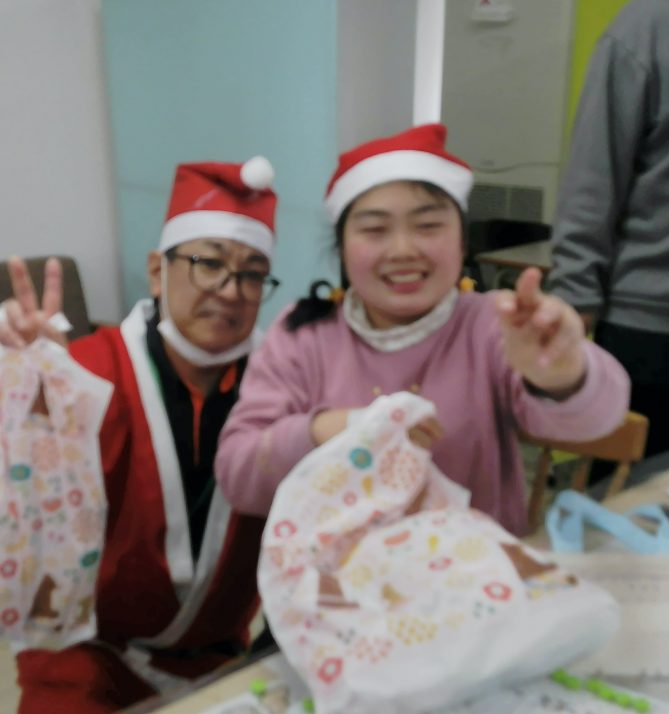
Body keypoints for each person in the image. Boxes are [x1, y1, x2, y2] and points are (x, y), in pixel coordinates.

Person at [215, 124, 630, 537]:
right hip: (335, 575)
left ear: (462, 242)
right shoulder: (305, 335)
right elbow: (237, 475)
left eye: (428, 225)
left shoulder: (491, 325)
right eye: (375, 229)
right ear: (342, 248)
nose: (402, 250)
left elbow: (596, 421)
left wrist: (561, 376)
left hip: (476, 571)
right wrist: (333, 431)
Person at [0, 156, 280, 714]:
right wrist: (32, 392)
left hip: (221, 660)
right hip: (86, 659)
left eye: (252, 274)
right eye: (209, 264)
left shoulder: (282, 384)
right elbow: (14, 503)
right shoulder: (87, 370)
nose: (231, 291)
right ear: (157, 271)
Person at [547, 0, 669, 457]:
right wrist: (574, 297)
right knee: (639, 495)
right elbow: (593, 177)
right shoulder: (645, 29)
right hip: (654, 325)